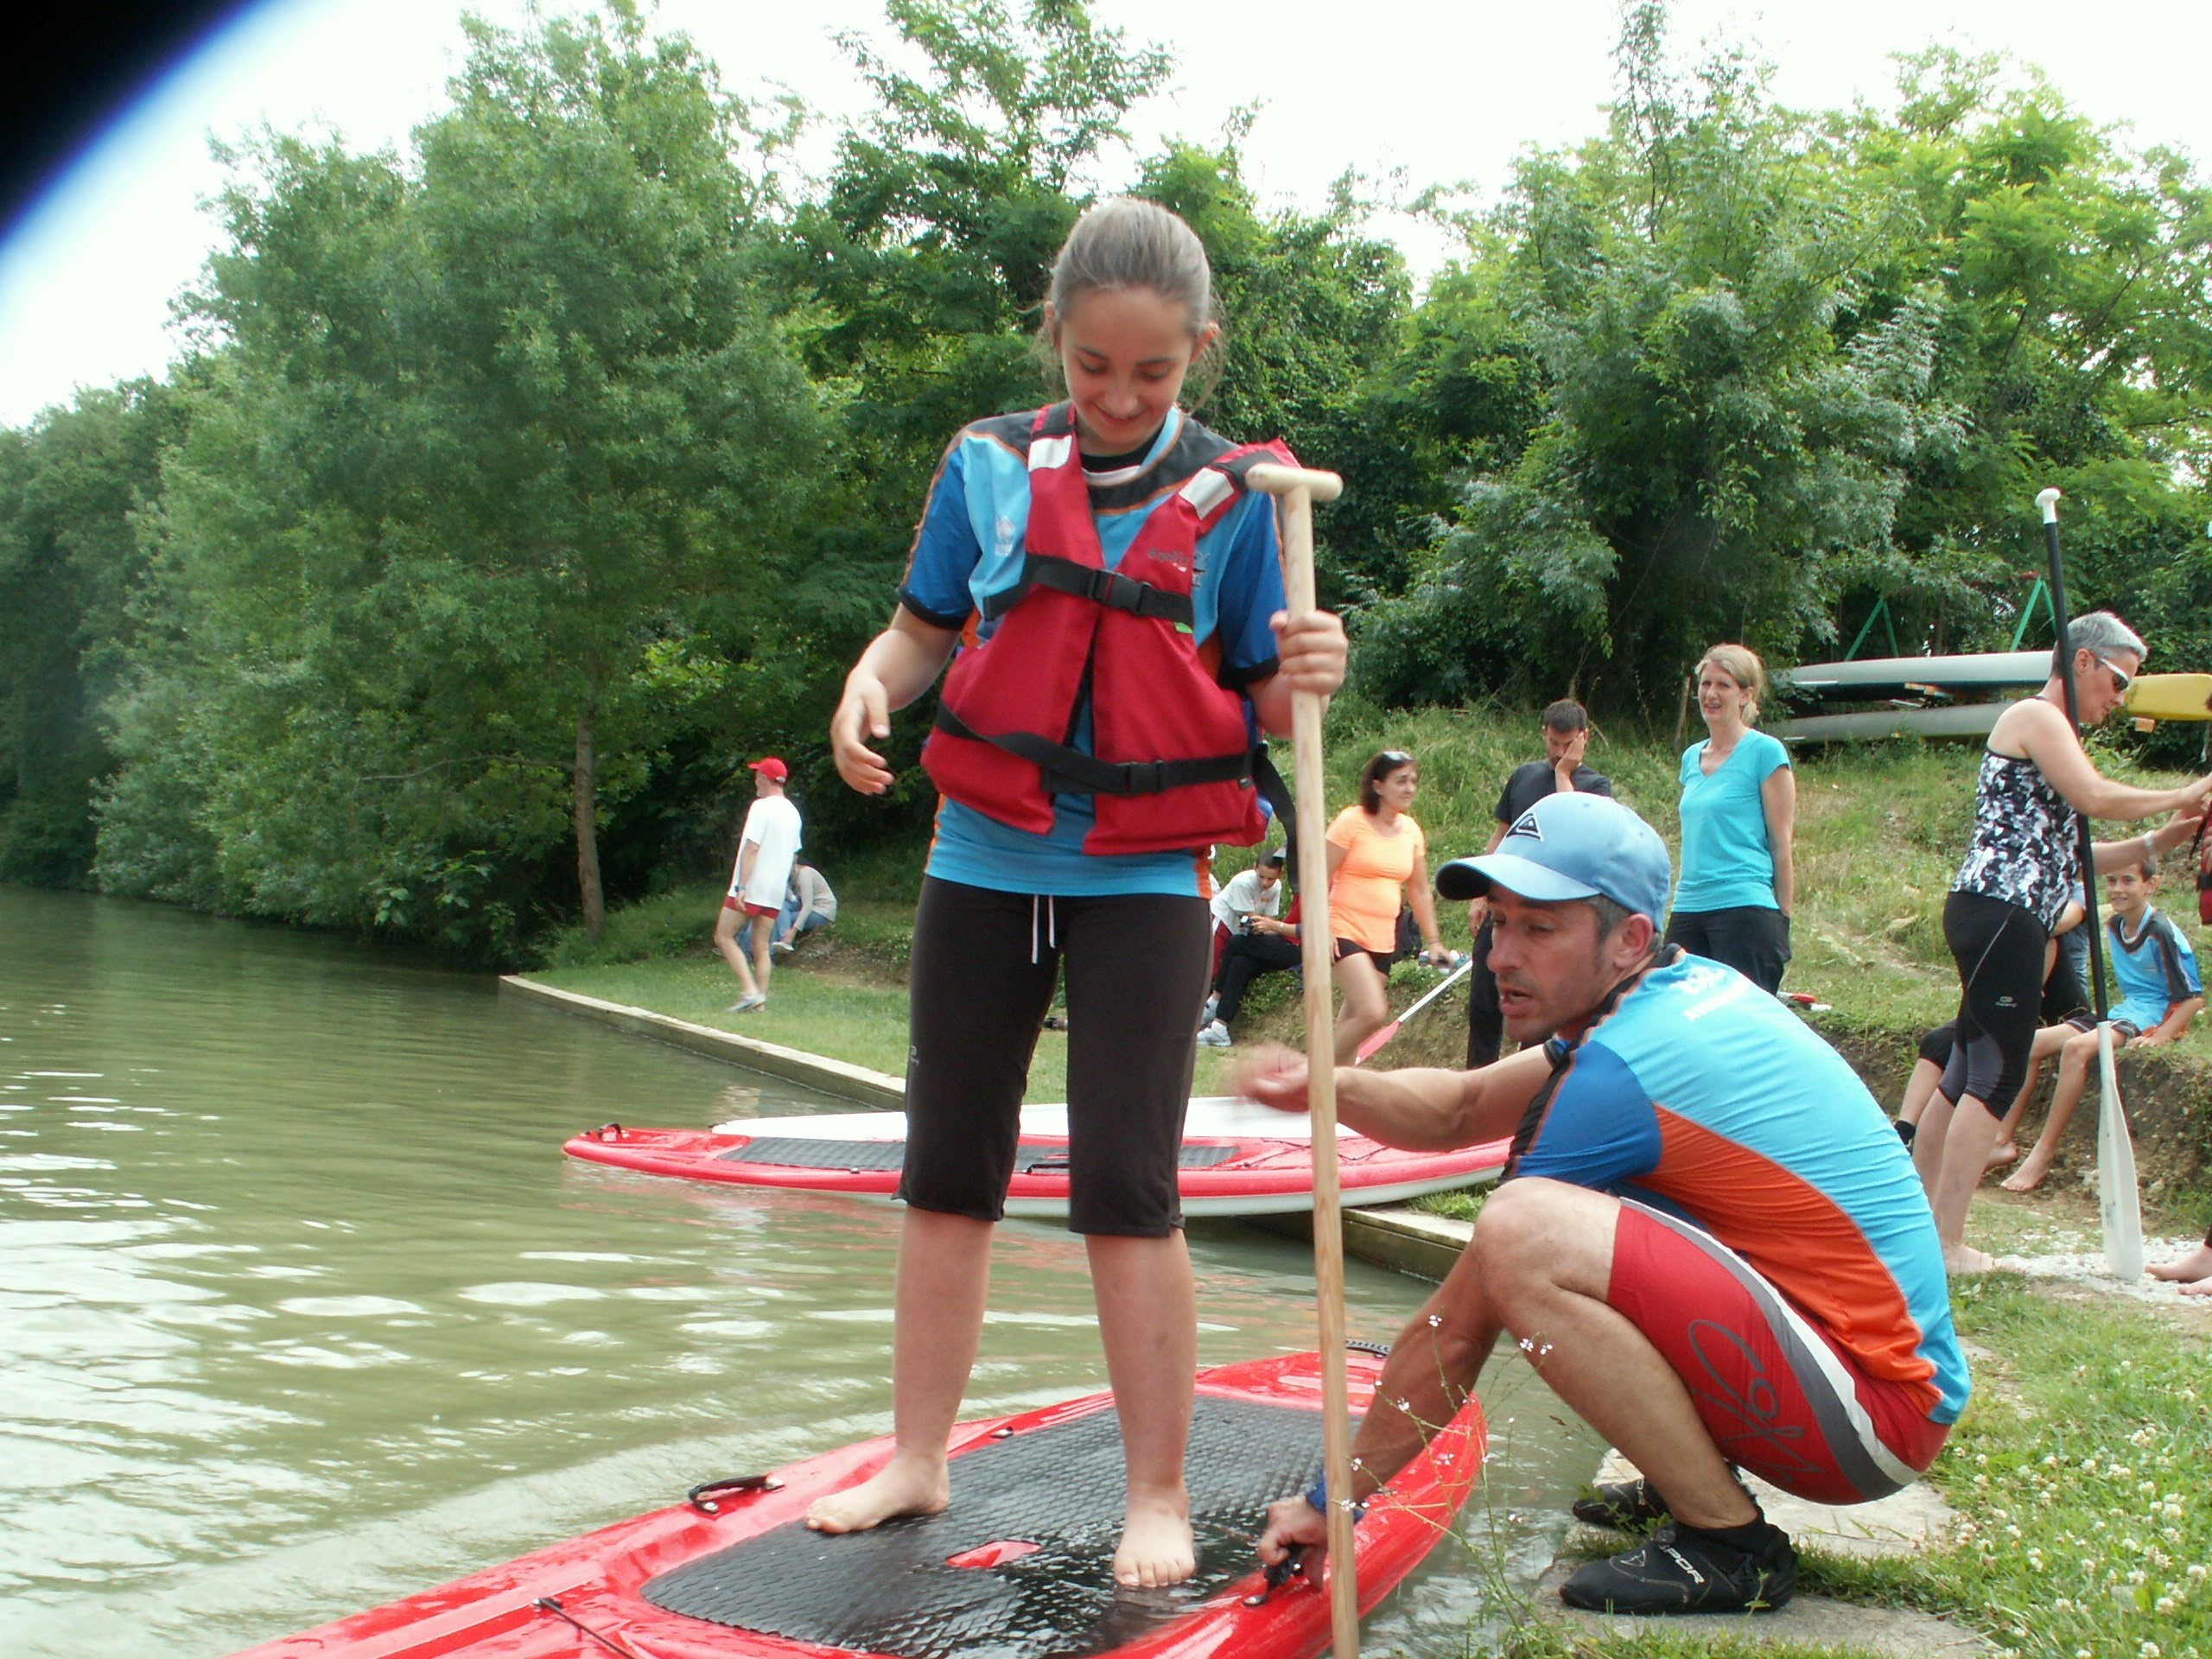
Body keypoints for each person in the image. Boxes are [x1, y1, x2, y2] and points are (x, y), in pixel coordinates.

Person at [810, 197, 1349, 1588]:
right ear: (1053, 335)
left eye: (1151, 372)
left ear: (1199, 353)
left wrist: (1310, 671)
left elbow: (1260, 692)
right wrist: (870, 682)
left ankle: (1155, 1493)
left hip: (1144, 881)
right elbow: (924, 630)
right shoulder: (986, 464)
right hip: (981, 862)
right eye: (1092, 364)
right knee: (948, 1170)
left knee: (1127, 1184)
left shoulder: (1247, 502)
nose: (1117, 396)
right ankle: (917, 1458)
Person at [1240, 791, 1968, 1617]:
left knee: (1524, 1231)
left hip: (1871, 1420)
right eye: (1498, 922)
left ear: (1628, 938)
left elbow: (1461, 1326)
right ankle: (1687, 1473)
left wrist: (1334, 1498)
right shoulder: (1667, 993)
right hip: (1850, 1379)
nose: (1500, 956)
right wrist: (1327, 1086)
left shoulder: (1626, 1066)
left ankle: (1729, 1544)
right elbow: (1460, 1109)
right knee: (1577, 1222)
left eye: (1540, 928)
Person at [1910, 613, 2211, 1274]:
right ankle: (1944, 1242)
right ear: (2082, 661)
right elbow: (2094, 796)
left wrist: (2158, 841)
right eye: (2120, 680)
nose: (2121, 698)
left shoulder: (2057, 739)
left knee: (1964, 1071)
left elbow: (2074, 856)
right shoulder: (2039, 717)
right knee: (1996, 1074)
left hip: (1998, 911)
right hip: (2003, 913)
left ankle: (1917, 1230)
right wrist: (2183, 792)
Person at [1998, 849, 2202, 1192]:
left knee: (2076, 1049)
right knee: (2032, 1044)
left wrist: (2161, 1036)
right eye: (2111, 881)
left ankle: (2043, 1152)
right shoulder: (2113, 925)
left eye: (2128, 881)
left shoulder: (2160, 931)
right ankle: (2000, 1139)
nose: (2118, 889)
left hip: (2152, 1014)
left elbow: (2192, 999)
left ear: (2151, 885)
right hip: (2123, 1009)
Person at [1465, 698, 1614, 1067]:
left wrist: (1564, 775)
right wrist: (1481, 893)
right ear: (1543, 733)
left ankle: (1526, 1087)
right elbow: (1501, 834)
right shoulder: (1523, 777)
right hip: (1505, 900)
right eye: (1553, 742)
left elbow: (1575, 830)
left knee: (1537, 1009)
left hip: (1550, 910)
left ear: (1583, 738)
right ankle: (1477, 1078)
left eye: (1568, 744)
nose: (1559, 751)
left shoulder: (1595, 786)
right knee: (1483, 1001)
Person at [1892, 884, 2087, 1162]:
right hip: (2008, 994)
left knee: (2007, 1051)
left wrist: (2009, 921)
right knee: (1938, 1042)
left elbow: (2062, 921)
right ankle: (1903, 1133)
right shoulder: (2016, 899)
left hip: (2059, 1004)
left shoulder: (2070, 893)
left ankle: (1997, 1141)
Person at [1664, 644, 1795, 995]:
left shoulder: (1765, 752)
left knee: (1738, 1019)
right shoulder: (1691, 757)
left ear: (1745, 695)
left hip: (1744, 908)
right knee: (1677, 1010)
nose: (1711, 694)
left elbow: (1781, 845)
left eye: (1723, 685)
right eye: (1706, 684)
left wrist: (1782, 920)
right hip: (1689, 905)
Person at [1326, 751, 1452, 1065]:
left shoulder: (1411, 831)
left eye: (1413, 781)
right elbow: (1317, 874)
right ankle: (1310, 1073)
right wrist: (1320, 925)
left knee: (1353, 1020)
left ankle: (1337, 1083)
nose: (1409, 788)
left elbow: (1419, 889)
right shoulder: (1351, 821)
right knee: (1372, 1011)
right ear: (1378, 786)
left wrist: (1434, 941)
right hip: (1342, 928)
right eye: (1401, 781)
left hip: (1382, 938)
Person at [714, 757, 801, 1013]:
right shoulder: (793, 813)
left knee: (723, 936)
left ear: (764, 778)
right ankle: (759, 1003)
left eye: (757, 776)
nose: (755, 782)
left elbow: (751, 848)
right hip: (775, 892)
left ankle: (750, 992)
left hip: (752, 886)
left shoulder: (761, 808)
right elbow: (794, 856)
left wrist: (741, 887)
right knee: (761, 946)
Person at [1198, 891, 1302, 1048]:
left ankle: (1214, 1001)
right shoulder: (1301, 892)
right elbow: (1288, 927)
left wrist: (1274, 925)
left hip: (1299, 949)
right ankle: (1220, 1027)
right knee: (1240, 963)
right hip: (1286, 942)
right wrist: (1262, 928)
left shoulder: (1323, 891)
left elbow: (1308, 930)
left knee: (1236, 942)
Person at [1205, 847, 1285, 984]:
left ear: (1280, 874)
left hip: (1240, 925)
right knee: (1209, 966)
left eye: (1270, 879)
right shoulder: (1243, 883)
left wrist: (1276, 929)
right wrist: (1278, 929)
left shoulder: (1276, 887)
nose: (1265, 883)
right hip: (1222, 918)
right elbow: (1253, 918)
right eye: (1261, 876)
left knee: (1224, 966)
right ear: (1255, 868)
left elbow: (1269, 919)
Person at [771, 857, 838, 957]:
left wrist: (793, 931)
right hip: (809, 906)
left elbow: (807, 906)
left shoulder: (805, 874)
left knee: (783, 918)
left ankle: (778, 947)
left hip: (822, 911)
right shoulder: (792, 877)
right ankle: (783, 940)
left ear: (793, 866)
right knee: (782, 908)